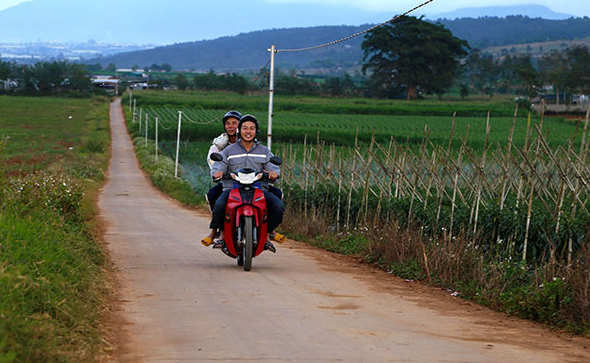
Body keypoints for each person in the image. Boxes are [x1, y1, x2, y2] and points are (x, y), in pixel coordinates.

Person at [205, 114, 286, 251]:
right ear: (239, 131)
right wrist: (217, 173)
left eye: (252, 128)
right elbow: (219, 166)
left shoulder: (264, 151)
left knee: (278, 206)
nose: (248, 131)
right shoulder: (228, 151)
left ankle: (267, 234)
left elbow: (273, 168)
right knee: (219, 205)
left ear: (256, 131)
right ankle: (222, 236)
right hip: (232, 189)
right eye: (245, 128)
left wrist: (273, 173)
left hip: (259, 189)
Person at [200, 110, 241, 247]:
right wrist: (219, 172)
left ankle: (269, 230)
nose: (231, 126)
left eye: (234, 123)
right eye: (228, 123)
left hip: (249, 180)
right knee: (213, 196)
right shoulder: (220, 143)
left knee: (271, 195)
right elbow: (212, 158)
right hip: (228, 181)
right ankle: (216, 230)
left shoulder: (248, 141)